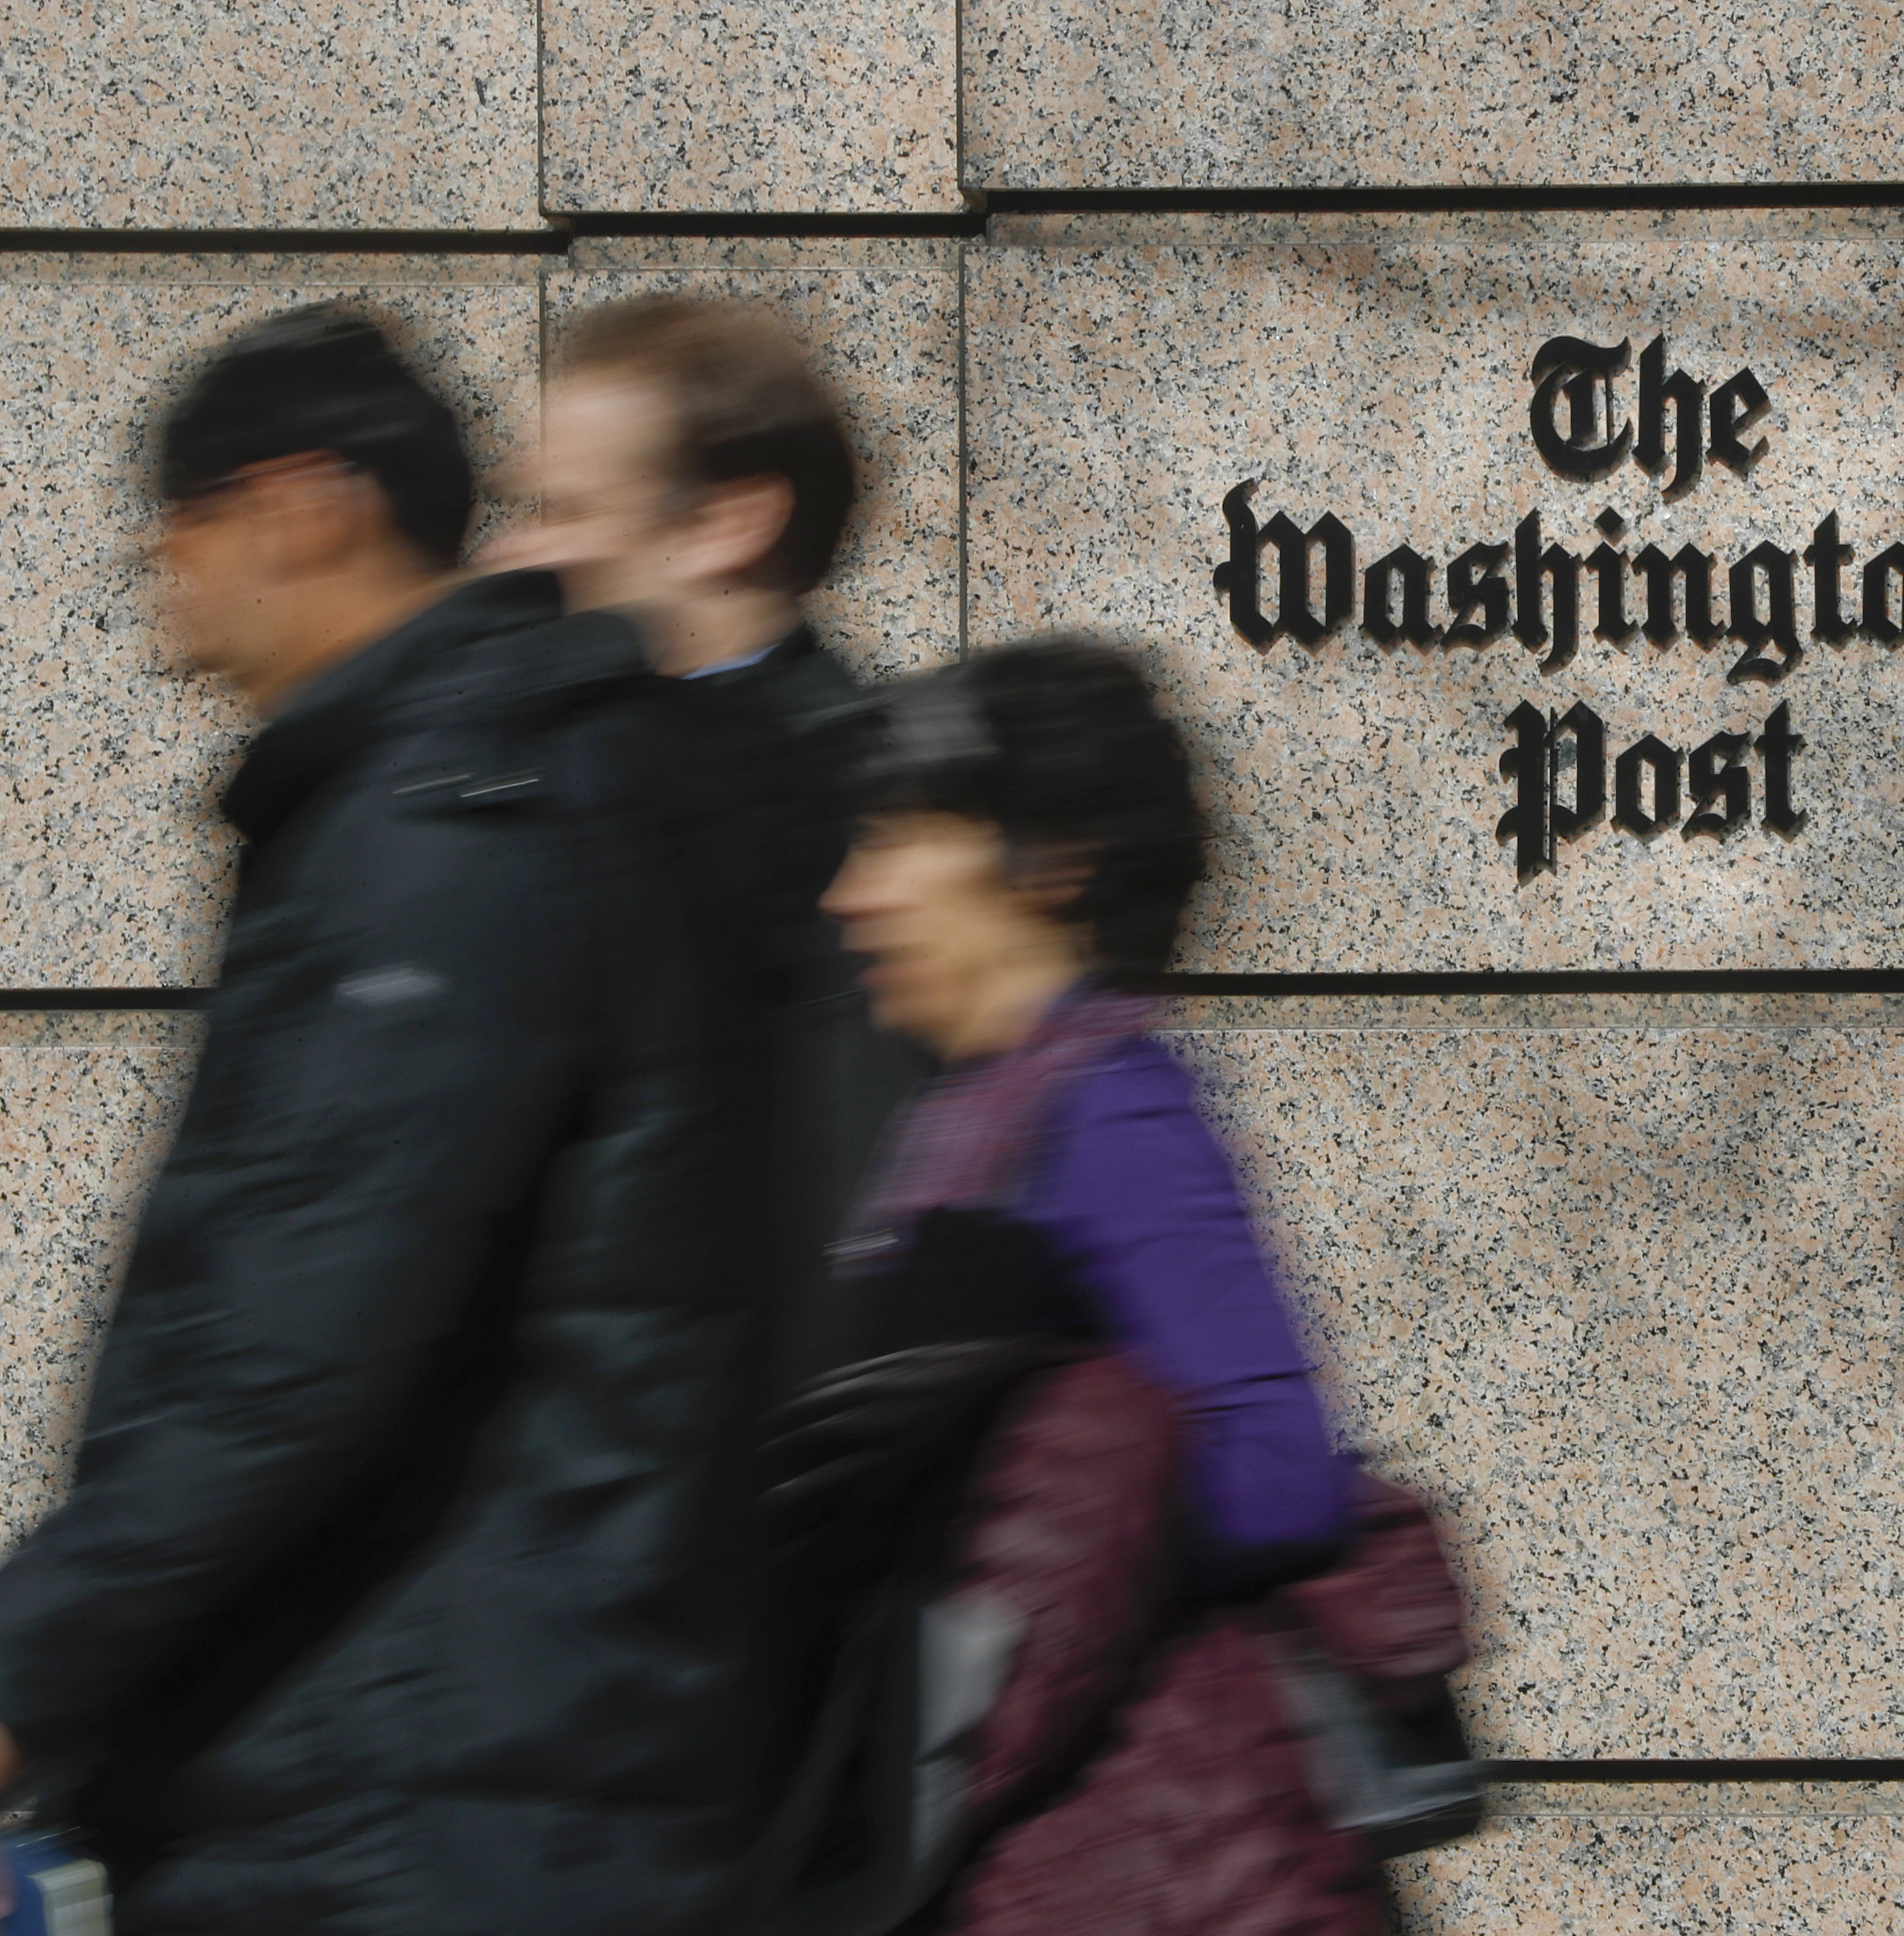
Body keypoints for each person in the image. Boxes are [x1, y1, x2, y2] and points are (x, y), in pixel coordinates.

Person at [0, 305, 784, 1931]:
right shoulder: (455, 790)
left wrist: (31, 1664)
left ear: (301, 505)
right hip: (435, 1778)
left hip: (403, 1802)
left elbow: (297, 1336)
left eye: (177, 538)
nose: (161, 601)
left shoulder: (452, 822)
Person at [791, 637, 1421, 1933]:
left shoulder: (1111, 1108)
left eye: (901, 840)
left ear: (1052, 864)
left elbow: (1278, 1461)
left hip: (1135, 1850)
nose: (851, 895)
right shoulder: (969, 1110)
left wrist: (1034, 1579)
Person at [487, 293, 924, 1390]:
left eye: (568, 511)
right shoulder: (588, 769)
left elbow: (840, 1232)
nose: (511, 557)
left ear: (726, 523)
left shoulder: (854, 809)